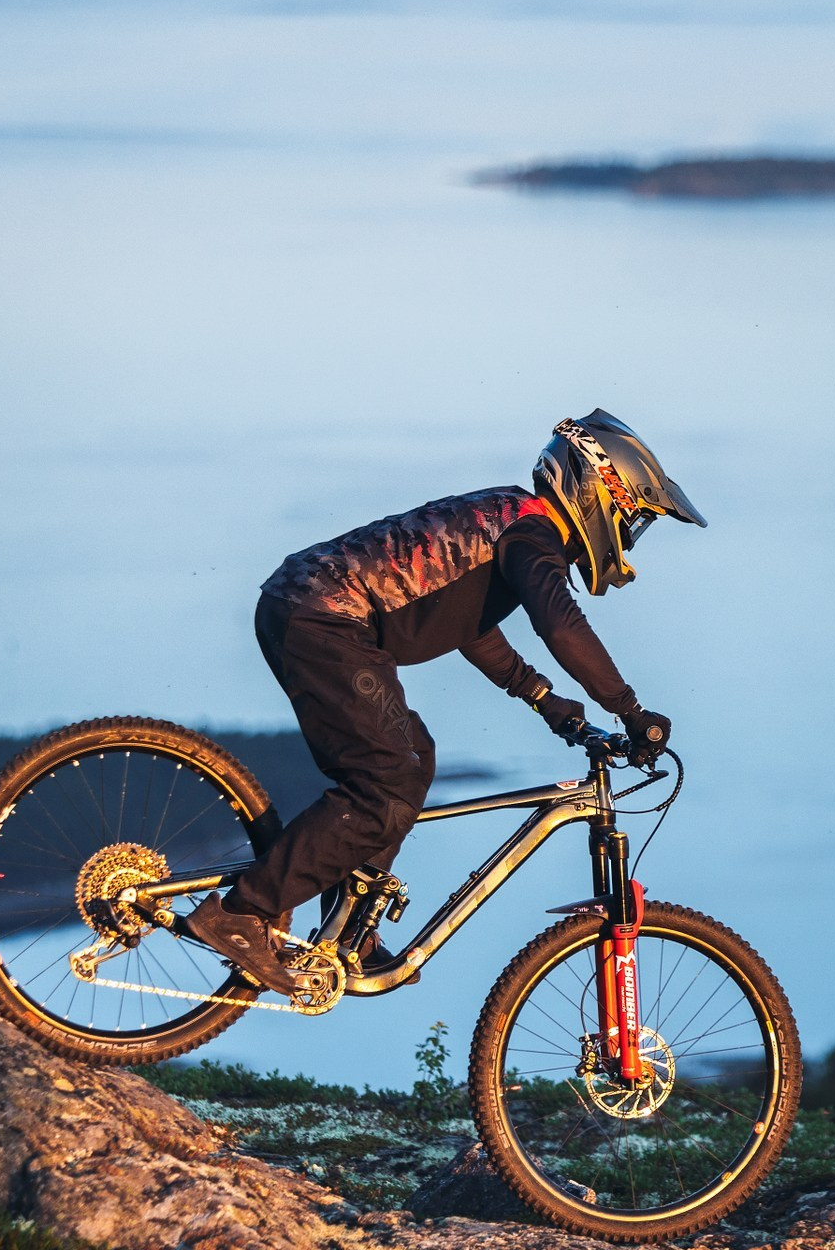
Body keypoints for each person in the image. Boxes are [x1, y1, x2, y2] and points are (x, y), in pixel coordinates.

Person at [182, 410, 704, 995]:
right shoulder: (532, 535)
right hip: (326, 618)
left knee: (413, 756)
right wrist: (630, 710)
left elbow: (467, 623)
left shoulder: (510, 518)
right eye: (631, 517)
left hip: (309, 609)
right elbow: (561, 626)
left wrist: (544, 700)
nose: (629, 536)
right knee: (386, 779)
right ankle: (241, 914)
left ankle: (348, 932)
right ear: (597, 490)